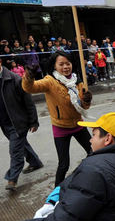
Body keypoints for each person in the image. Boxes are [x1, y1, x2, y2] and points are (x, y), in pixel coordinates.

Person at [22, 51, 93, 186]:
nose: (65, 67)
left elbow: (84, 107)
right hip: (61, 128)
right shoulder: (50, 81)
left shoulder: (78, 81)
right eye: (61, 64)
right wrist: (29, 76)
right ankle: (56, 192)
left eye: (68, 63)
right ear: (55, 66)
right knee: (64, 164)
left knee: (93, 152)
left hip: (78, 124)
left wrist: (87, 100)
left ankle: (84, 177)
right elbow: (30, 88)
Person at [0, 48, 42, 191]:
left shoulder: (14, 79)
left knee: (15, 150)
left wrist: (33, 121)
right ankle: (35, 162)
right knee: (20, 144)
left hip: (18, 121)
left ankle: (12, 179)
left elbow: (28, 101)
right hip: (2, 121)